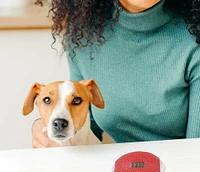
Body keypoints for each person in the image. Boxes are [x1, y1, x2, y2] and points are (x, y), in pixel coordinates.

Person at [32, 0, 200, 148]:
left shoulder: (193, 41)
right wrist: (44, 128)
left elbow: (195, 154)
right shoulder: (85, 38)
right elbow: (86, 126)